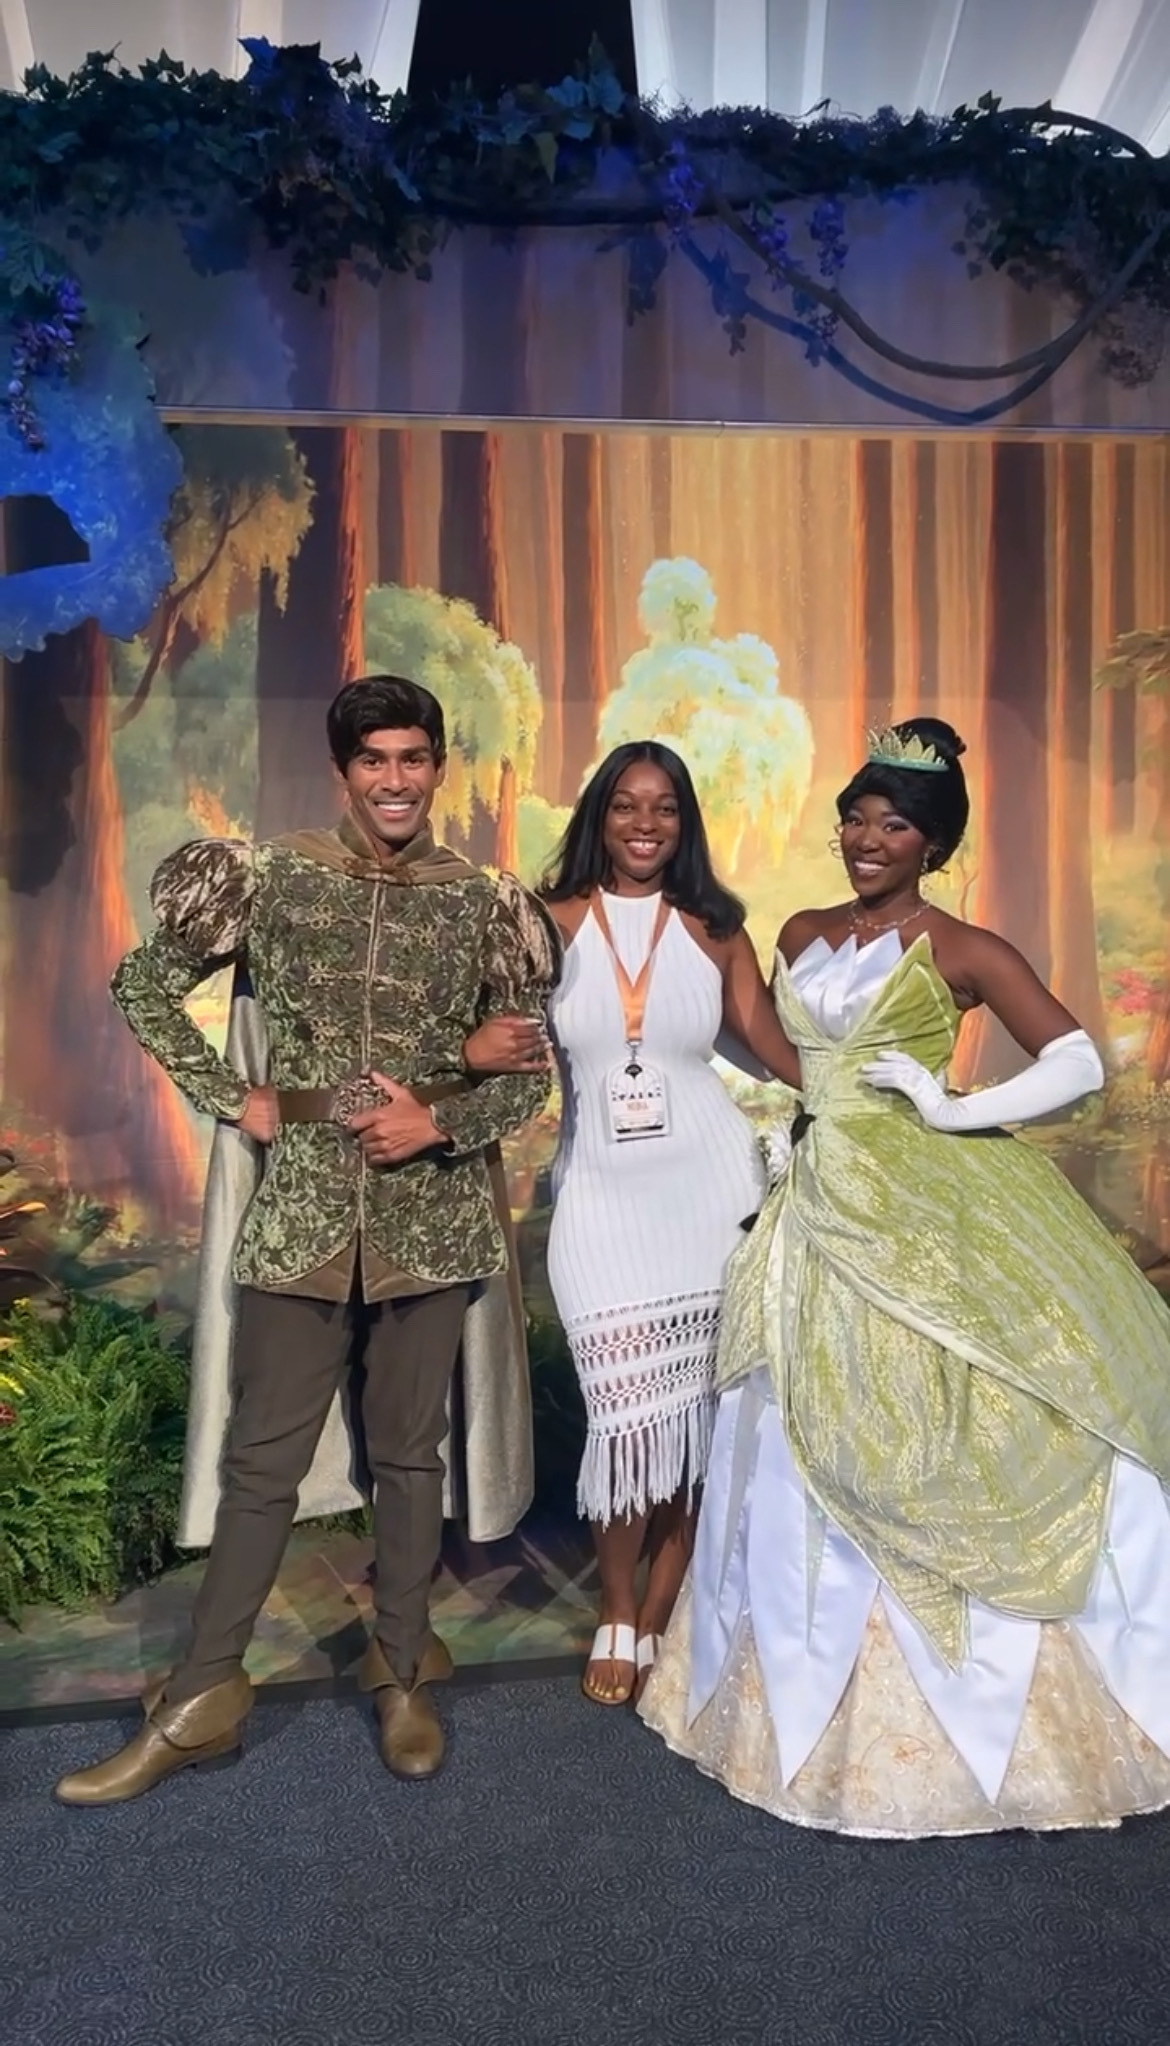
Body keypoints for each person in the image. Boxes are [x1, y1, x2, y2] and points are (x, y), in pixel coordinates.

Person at [640, 715, 1170, 1837]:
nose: (867, 838)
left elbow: (1078, 1056)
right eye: (856, 816)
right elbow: (782, 1051)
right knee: (784, 1411)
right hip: (816, 1202)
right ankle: (781, 1688)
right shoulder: (800, 928)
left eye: (895, 825)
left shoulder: (962, 948)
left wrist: (954, 1106)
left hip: (929, 1200)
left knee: (953, 1405)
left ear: (933, 844)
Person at [55, 675, 559, 1806]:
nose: (395, 779)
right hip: (302, 1220)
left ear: (440, 768)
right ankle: (201, 1697)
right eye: (374, 759)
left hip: (429, 1218)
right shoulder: (273, 876)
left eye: (414, 758)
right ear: (343, 770)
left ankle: (399, 1665)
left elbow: (532, 1073)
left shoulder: (482, 900)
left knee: (410, 1458)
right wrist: (237, 1098)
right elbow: (143, 986)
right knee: (260, 1465)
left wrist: (445, 1116)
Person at [472, 741, 800, 1708]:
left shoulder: (715, 931)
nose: (645, 825)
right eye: (626, 806)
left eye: (664, 808)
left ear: (684, 822)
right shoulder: (548, 925)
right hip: (603, 1203)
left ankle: (657, 1612)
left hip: (714, 1196)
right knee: (627, 1421)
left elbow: (778, 1052)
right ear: (600, 816)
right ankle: (616, 1601)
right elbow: (494, 1040)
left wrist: (888, 1088)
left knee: (699, 1423)